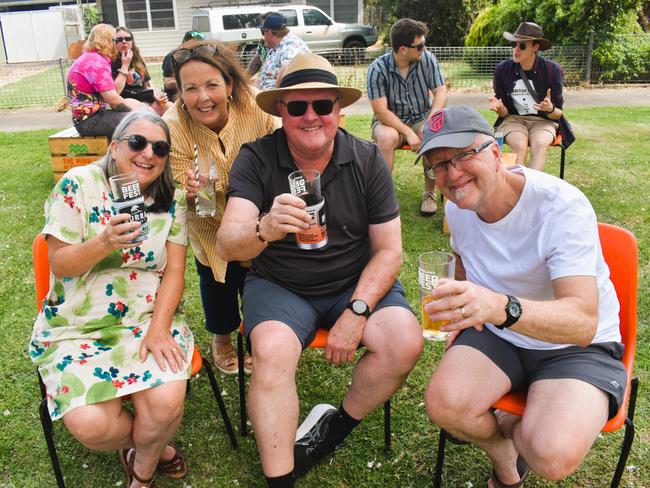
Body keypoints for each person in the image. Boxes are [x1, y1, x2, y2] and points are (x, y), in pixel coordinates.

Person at [216, 53, 423, 487]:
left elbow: (389, 252)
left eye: (322, 106)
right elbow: (228, 243)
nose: (311, 116)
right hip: (281, 285)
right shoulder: (256, 158)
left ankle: (333, 429)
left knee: (403, 340)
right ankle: (281, 481)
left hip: (354, 280)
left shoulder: (366, 158)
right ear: (280, 113)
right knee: (270, 354)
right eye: (297, 107)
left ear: (338, 111)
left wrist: (359, 309)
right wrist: (266, 227)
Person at [418, 106, 626, 487]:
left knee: (550, 454)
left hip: (578, 346)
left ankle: (523, 424)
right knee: (445, 404)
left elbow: (582, 322)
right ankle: (504, 454)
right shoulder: (459, 207)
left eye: (463, 156)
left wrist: (499, 306)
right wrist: (464, 312)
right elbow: (465, 259)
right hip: (501, 335)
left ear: (496, 152)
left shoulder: (560, 206)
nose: (452, 174)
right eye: (438, 166)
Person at [29, 110, 193, 488]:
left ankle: (143, 473)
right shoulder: (79, 184)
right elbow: (60, 264)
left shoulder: (173, 198)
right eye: (138, 142)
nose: (148, 153)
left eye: (160, 148)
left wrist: (158, 329)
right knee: (91, 425)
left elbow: (174, 272)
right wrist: (103, 242)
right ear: (116, 146)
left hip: (147, 316)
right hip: (78, 323)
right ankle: (153, 444)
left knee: (166, 404)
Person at [163, 39, 276, 374]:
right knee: (217, 281)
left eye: (212, 85)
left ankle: (261, 333)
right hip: (208, 220)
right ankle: (222, 339)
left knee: (261, 279)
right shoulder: (173, 124)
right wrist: (191, 191)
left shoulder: (256, 106)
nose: (203, 97)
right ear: (179, 91)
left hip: (258, 214)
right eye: (190, 88)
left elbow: (280, 151)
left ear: (229, 84)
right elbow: (180, 184)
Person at [367, 18, 447, 216]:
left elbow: (441, 92)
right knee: (387, 137)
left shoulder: (427, 59)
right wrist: (406, 132)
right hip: (389, 121)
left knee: (430, 133)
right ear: (403, 49)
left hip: (421, 116)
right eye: (419, 46)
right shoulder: (377, 69)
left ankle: (429, 193)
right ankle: (381, 197)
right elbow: (381, 111)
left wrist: (430, 121)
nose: (424, 49)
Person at [488, 22, 574, 170]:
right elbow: (506, 113)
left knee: (539, 145)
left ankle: (531, 189)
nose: (516, 50)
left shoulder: (552, 70)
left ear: (535, 47)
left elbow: (558, 113)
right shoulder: (502, 70)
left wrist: (550, 108)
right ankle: (517, 189)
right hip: (514, 119)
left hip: (544, 121)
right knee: (519, 146)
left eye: (522, 46)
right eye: (514, 45)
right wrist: (500, 108)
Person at [67, 24, 148, 137]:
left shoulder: (93, 58)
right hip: (90, 121)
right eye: (115, 40)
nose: (117, 43)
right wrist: (136, 113)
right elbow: (113, 100)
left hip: (90, 117)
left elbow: (113, 93)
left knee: (140, 112)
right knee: (141, 122)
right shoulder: (96, 62)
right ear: (107, 41)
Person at [111, 26, 171, 116]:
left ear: (132, 41)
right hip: (126, 102)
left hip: (146, 99)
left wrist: (156, 95)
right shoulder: (110, 61)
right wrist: (125, 65)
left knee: (171, 109)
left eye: (127, 39)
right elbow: (115, 92)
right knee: (147, 113)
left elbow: (148, 83)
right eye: (119, 39)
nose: (124, 41)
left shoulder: (137, 60)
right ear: (113, 42)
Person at [255, 12, 310, 90]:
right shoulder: (274, 47)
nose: (263, 36)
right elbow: (262, 75)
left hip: (277, 96)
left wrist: (274, 96)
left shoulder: (291, 45)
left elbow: (286, 71)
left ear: (269, 33)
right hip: (262, 92)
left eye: (263, 32)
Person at [161, 30, 206, 101]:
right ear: (184, 44)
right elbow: (168, 83)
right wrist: (190, 81)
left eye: (200, 45)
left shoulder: (203, 56)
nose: (196, 48)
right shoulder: (172, 56)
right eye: (193, 45)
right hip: (175, 97)